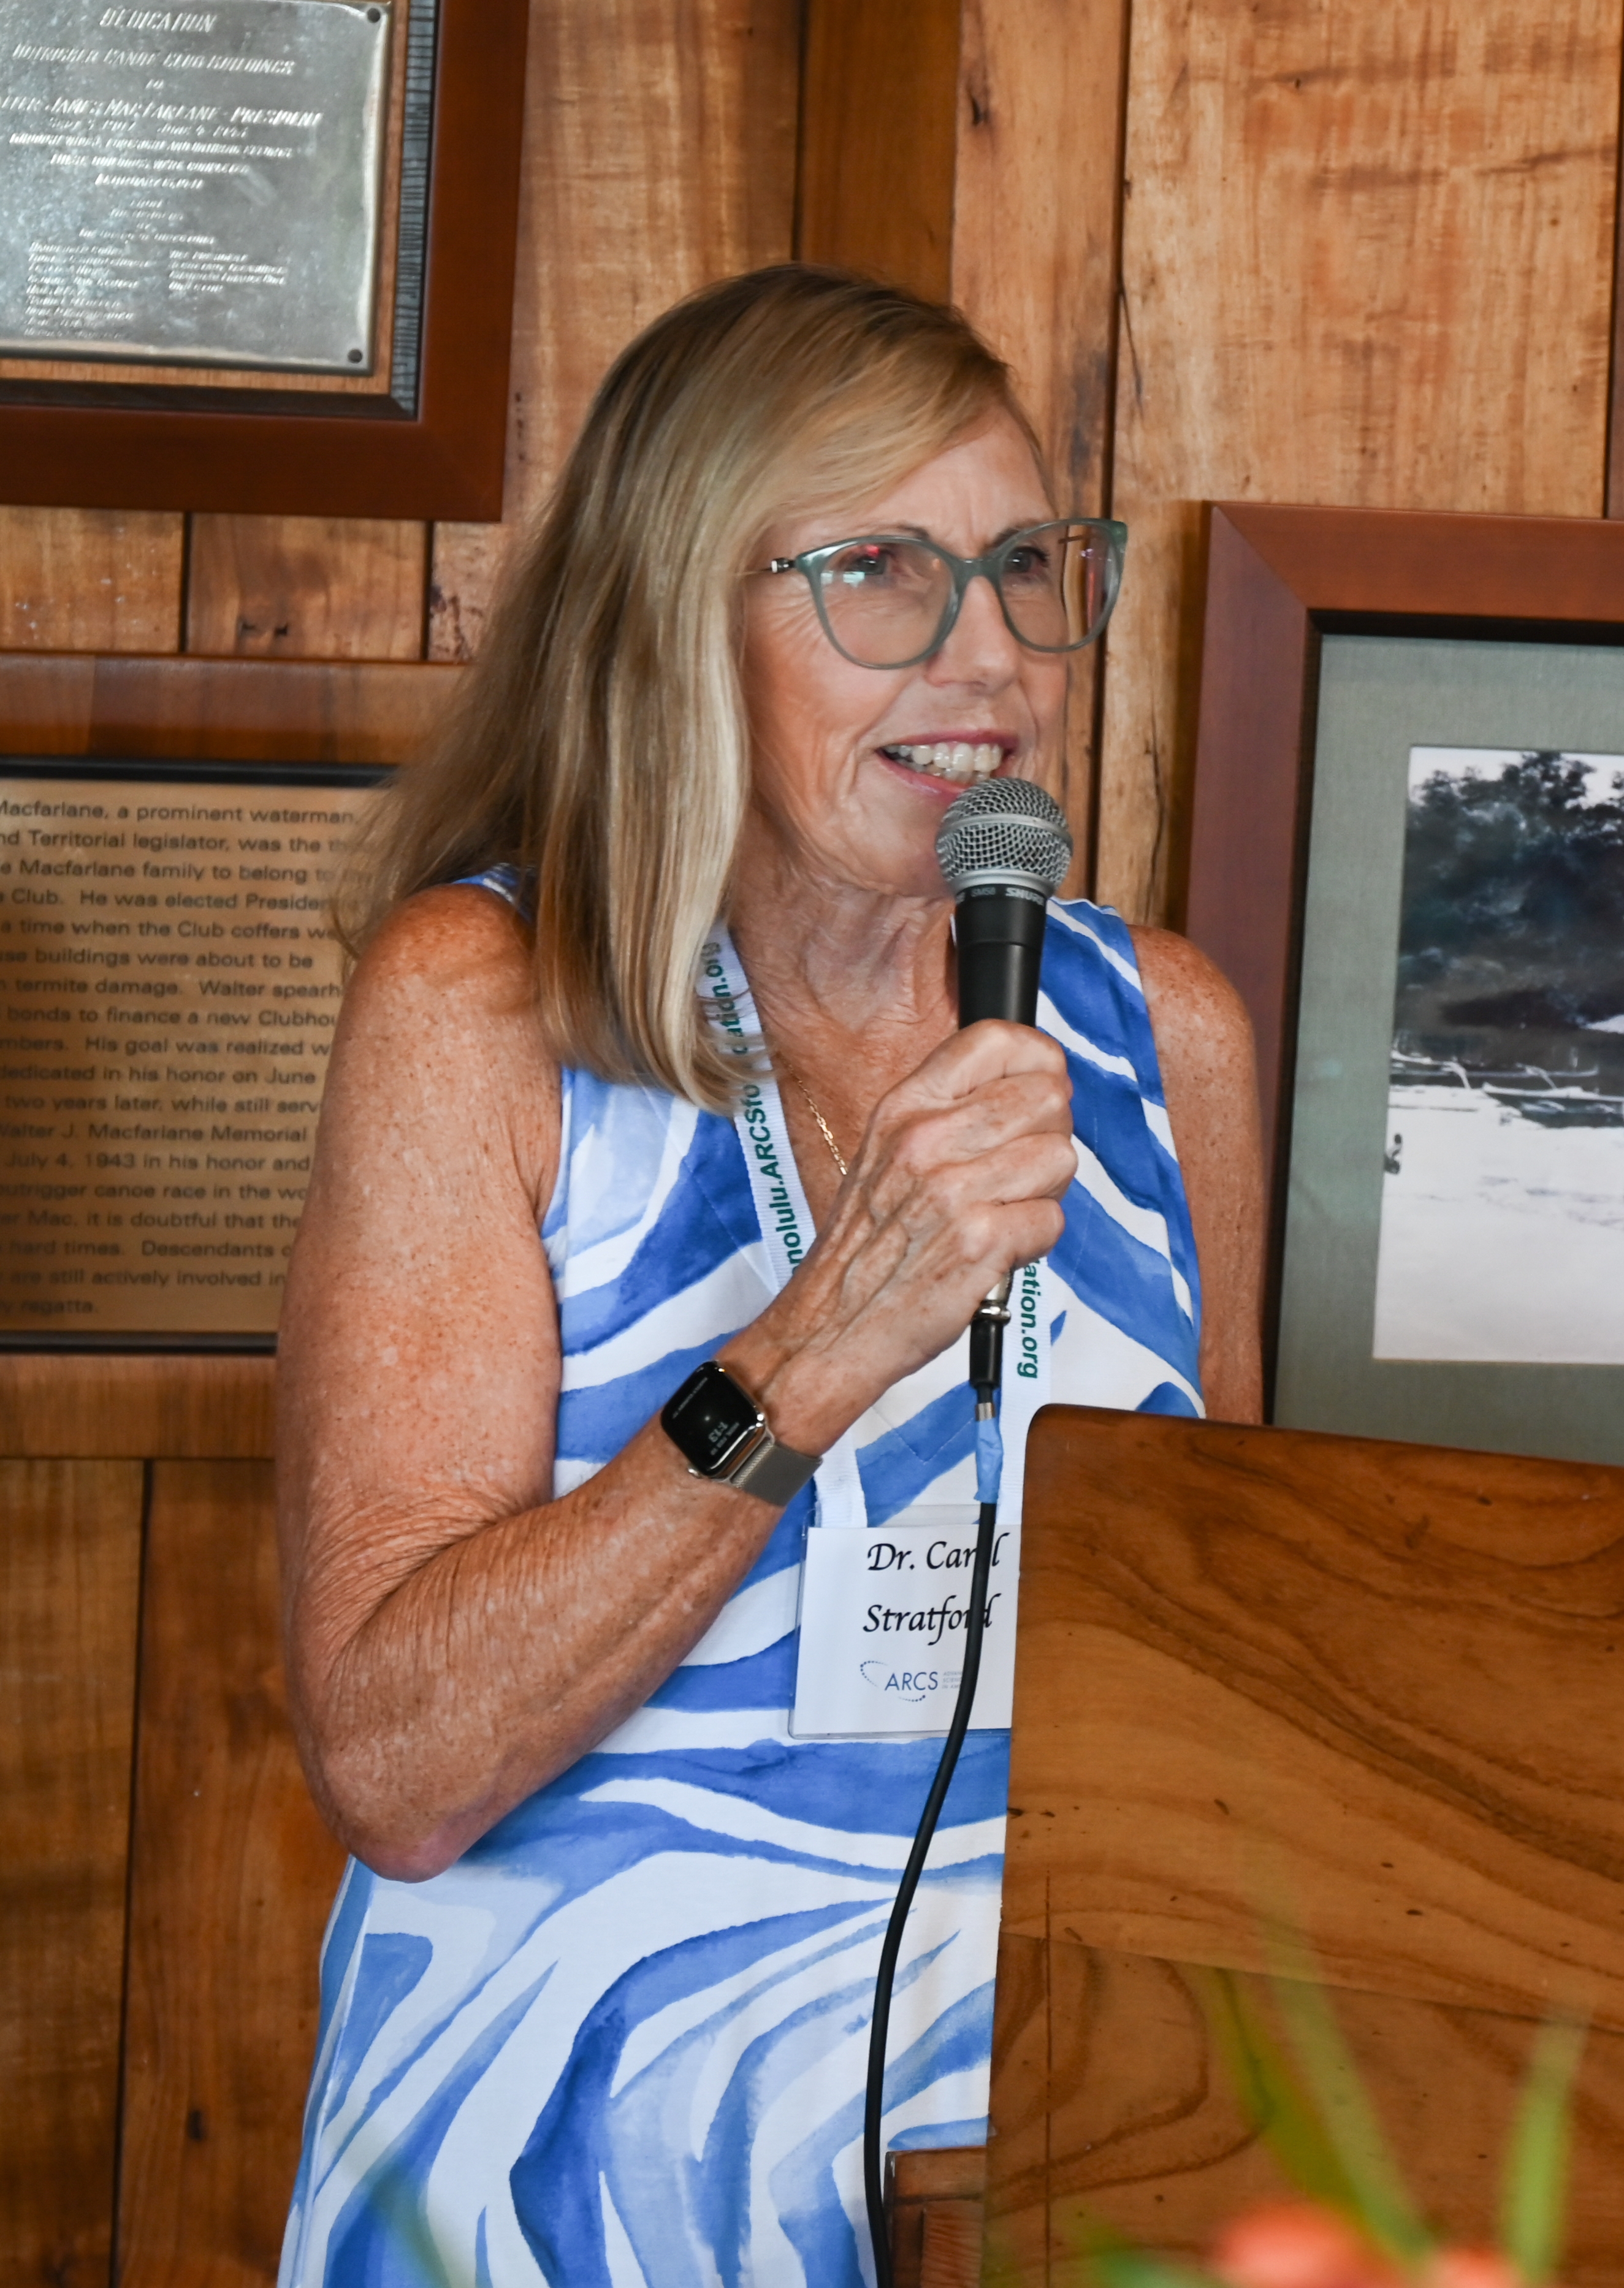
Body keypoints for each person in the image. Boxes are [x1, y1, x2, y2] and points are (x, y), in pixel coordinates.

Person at [276, 264, 1264, 2288]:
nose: (985, 651)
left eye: (1019, 565)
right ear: (677, 617)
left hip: (1045, 2175)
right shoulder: (482, 1007)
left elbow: (1210, 1694)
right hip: (557, 2165)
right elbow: (396, 1762)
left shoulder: (1166, 1034)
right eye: (881, 571)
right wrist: (820, 1340)